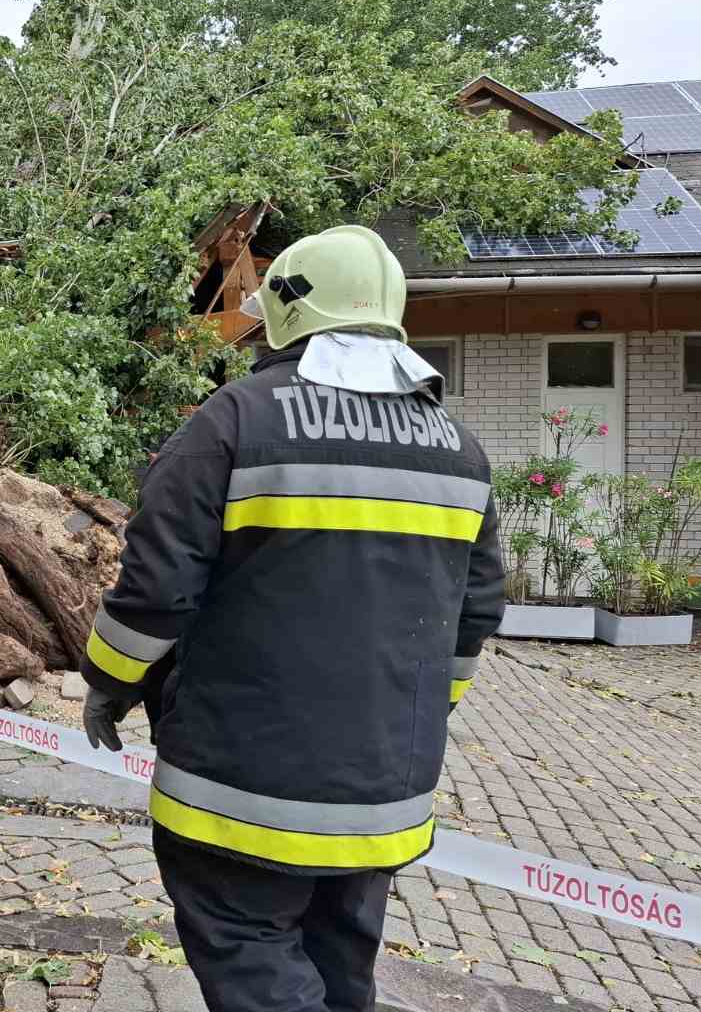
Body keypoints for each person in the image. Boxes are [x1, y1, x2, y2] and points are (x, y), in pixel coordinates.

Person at [81, 225, 503, 1012]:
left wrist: (109, 679)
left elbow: (157, 588)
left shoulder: (235, 421)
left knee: (252, 961)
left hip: (239, 792)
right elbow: (474, 614)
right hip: (381, 796)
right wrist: (408, 715)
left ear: (286, 312)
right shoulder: (460, 448)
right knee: (341, 969)